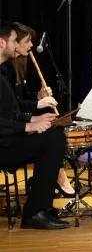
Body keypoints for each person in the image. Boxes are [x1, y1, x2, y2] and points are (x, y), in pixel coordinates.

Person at [0, 21, 68, 230]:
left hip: (8, 138)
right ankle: (35, 212)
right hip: (3, 145)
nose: (17, 46)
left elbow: (11, 110)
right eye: (15, 41)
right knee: (52, 141)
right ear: (2, 43)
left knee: (54, 135)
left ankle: (40, 207)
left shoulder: (2, 72)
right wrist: (27, 126)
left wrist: (34, 119)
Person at [6, 24, 74, 195]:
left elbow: (18, 99)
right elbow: (14, 106)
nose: (31, 45)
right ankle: (55, 180)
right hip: (9, 135)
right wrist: (35, 111)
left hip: (15, 125)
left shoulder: (19, 64)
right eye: (27, 41)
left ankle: (48, 184)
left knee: (55, 129)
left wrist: (38, 96)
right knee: (52, 139)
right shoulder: (7, 68)